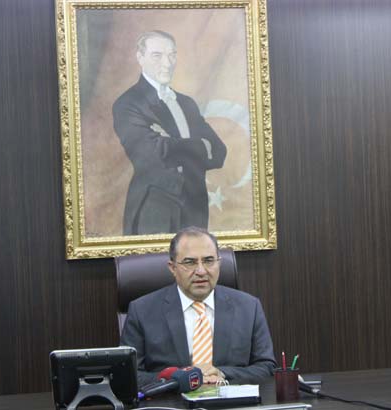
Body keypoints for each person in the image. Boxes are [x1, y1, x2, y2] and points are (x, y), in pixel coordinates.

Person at [120, 226, 276, 386]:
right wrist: (180, 378)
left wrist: (222, 373)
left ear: (219, 263)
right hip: (172, 399)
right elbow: (129, 375)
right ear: (172, 268)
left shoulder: (249, 307)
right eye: (190, 262)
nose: (201, 271)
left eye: (208, 261)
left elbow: (267, 367)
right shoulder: (142, 311)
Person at [113, 31, 227, 235]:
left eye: (172, 55)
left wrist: (170, 143)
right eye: (157, 55)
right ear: (140, 57)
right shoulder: (128, 103)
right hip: (154, 208)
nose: (167, 63)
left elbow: (219, 152)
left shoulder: (187, 103)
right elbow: (152, 154)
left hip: (195, 206)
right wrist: (201, 145)